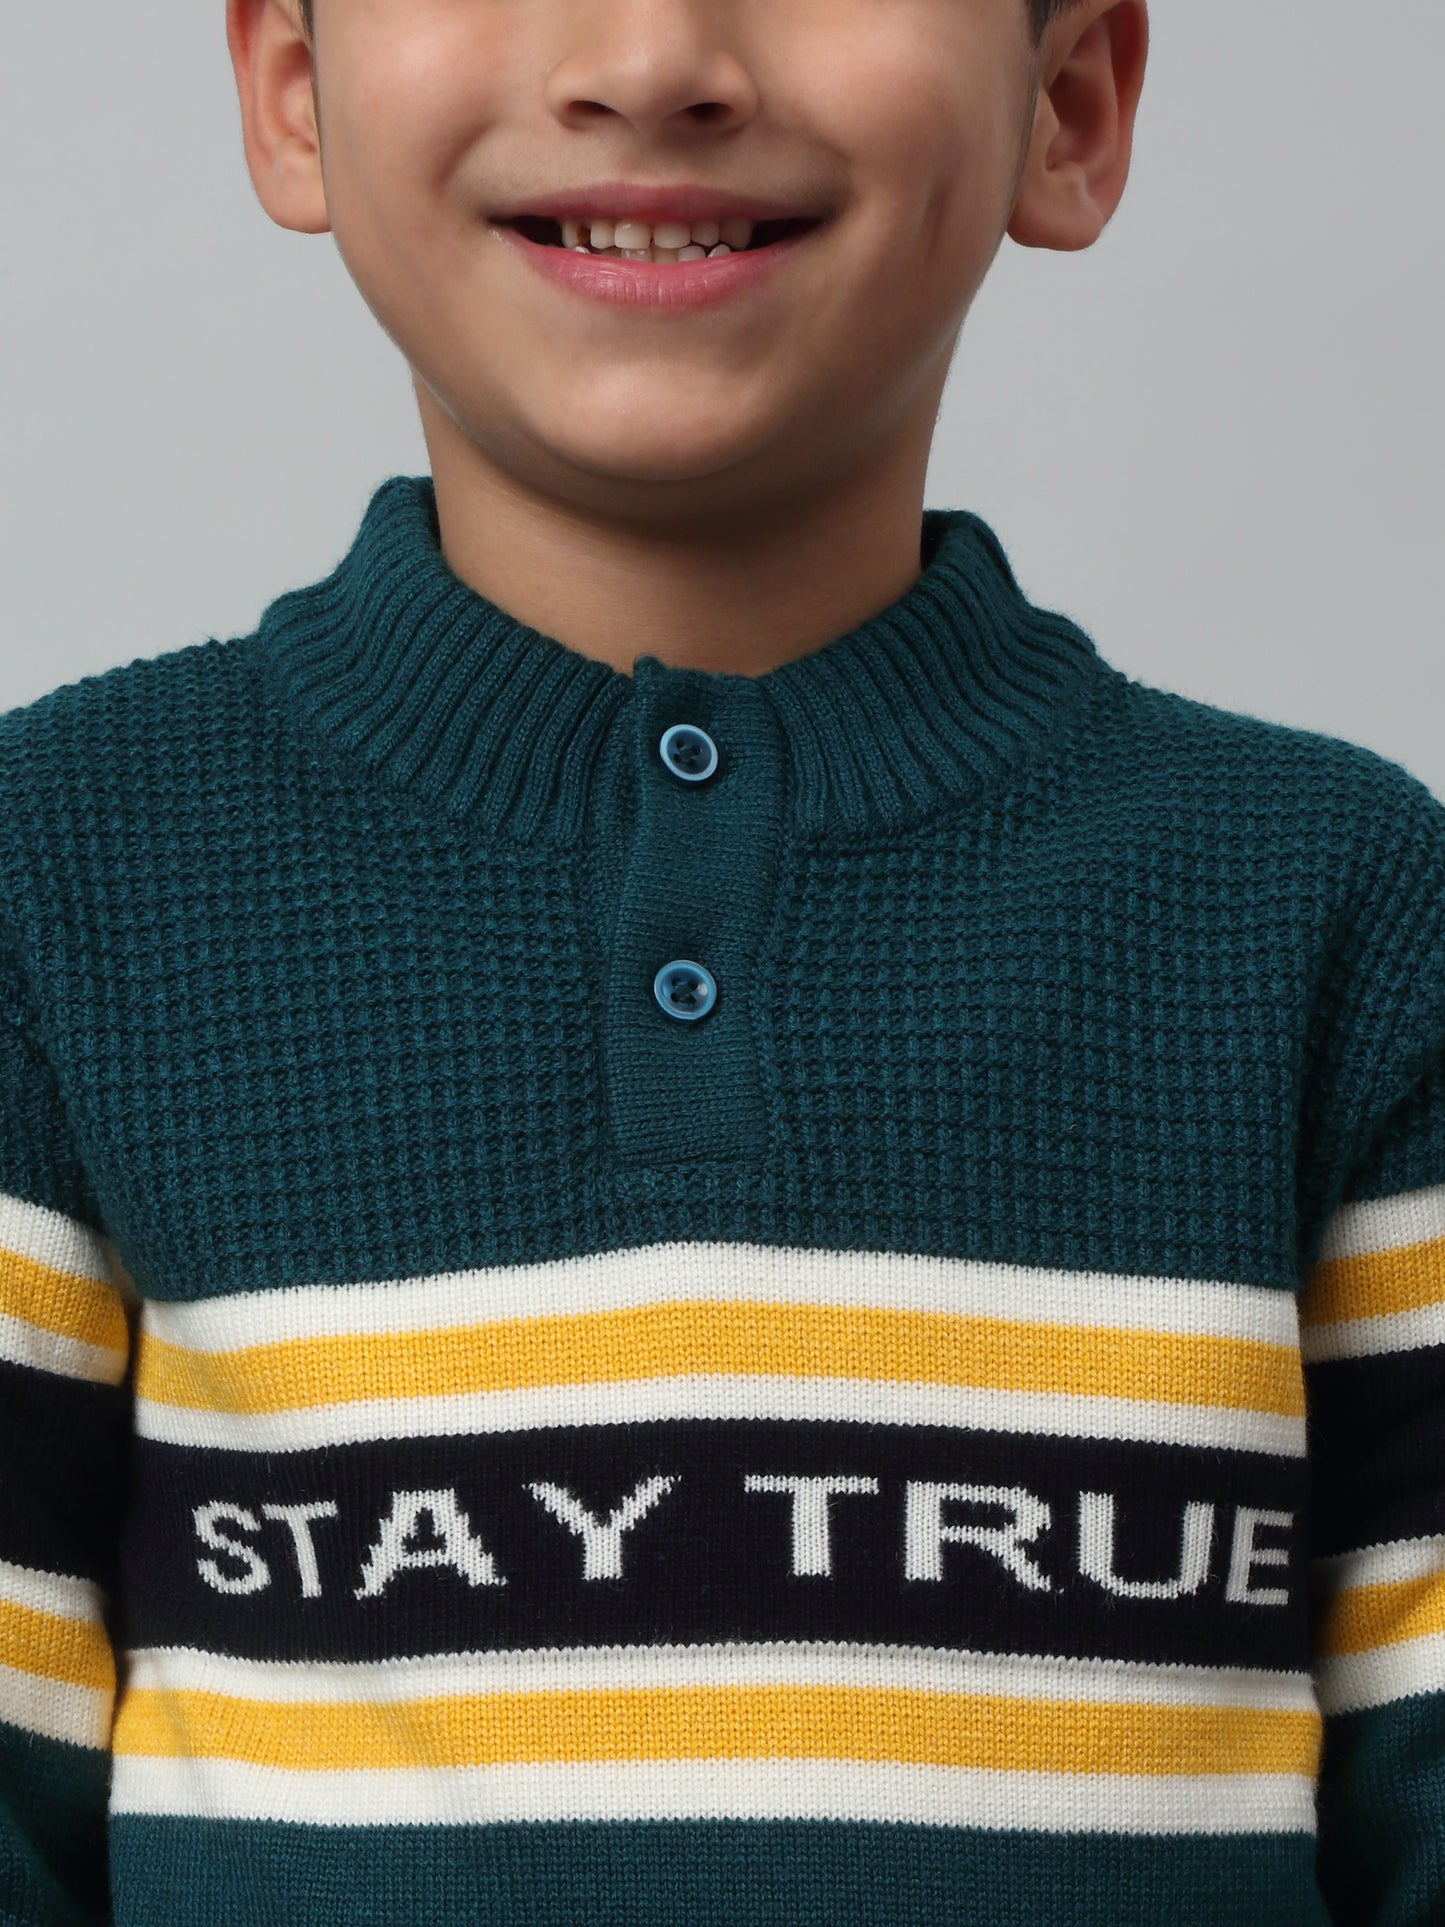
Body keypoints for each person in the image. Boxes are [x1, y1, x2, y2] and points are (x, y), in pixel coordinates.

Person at [1, 0, 1440, 1919]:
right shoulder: (51, 877)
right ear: (291, 94)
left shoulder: (1349, 909)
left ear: (1068, 103)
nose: (651, 55)